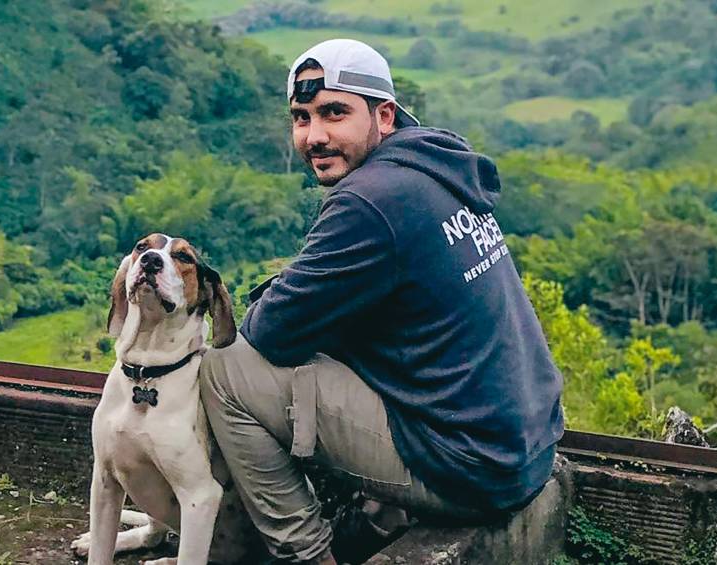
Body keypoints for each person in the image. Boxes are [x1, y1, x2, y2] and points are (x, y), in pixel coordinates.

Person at [200, 38, 564, 565]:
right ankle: (379, 516)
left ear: (384, 115)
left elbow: (271, 333)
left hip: (470, 469)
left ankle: (306, 554)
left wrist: (282, 291)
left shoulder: (369, 201)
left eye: (334, 113)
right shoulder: (435, 165)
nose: (315, 136)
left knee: (224, 366)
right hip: (523, 446)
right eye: (301, 117)